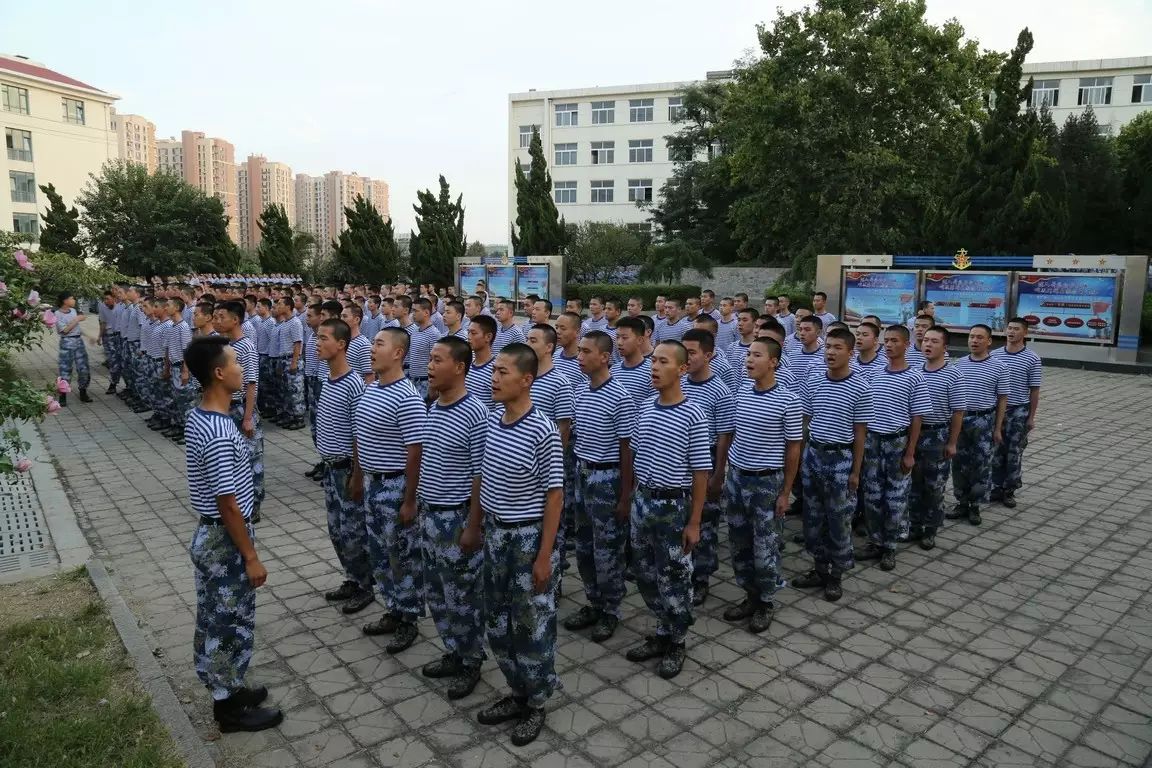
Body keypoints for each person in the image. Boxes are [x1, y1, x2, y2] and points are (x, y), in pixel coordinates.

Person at [182, 335, 282, 732]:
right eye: (236, 364)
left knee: (214, 615)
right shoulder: (221, 433)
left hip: (213, 536)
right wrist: (251, 556)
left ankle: (229, 686)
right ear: (219, 373)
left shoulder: (200, 416)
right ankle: (228, 709)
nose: (243, 369)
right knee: (229, 621)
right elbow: (228, 503)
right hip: (225, 540)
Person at [469, 343, 563, 747]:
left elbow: (554, 495)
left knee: (531, 624)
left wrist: (544, 556)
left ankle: (537, 701)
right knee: (497, 619)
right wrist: (476, 527)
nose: (494, 377)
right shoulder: (492, 420)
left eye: (503, 372)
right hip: (497, 533)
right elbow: (483, 478)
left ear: (526, 379)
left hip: (528, 538)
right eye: (495, 371)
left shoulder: (543, 430)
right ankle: (516, 690)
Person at [626, 340, 711, 679]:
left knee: (674, 576)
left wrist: (694, 522)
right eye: (654, 361)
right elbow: (635, 455)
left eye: (663, 362)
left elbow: (701, 472)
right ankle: (663, 628)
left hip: (673, 505)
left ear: (682, 368)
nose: (655, 367)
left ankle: (677, 639)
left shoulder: (694, 413)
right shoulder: (646, 407)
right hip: (643, 502)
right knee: (645, 573)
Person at [419, 336, 490, 700]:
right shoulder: (433, 407)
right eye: (429, 359)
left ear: (459, 367)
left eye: (437, 360)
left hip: (456, 519)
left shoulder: (476, 412)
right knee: (437, 592)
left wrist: (473, 526)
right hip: (430, 516)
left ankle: (471, 659)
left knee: (462, 595)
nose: (429, 366)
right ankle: (453, 650)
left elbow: (480, 475)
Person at [353, 327, 427, 652]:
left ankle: (408, 618)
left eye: (379, 344)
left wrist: (410, 499)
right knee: (380, 554)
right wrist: (357, 475)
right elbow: (360, 435)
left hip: (396, 486)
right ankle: (393, 609)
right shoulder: (372, 388)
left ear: (397, 353)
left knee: (403, 556)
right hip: (373, 483)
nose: (372, 348)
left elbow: (416, 452)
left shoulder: (407, 397)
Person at [723, 338, 801, 633]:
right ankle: (750, 595)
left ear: (774, 362)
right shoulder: (741, 392)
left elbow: (794, 448)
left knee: (765, 545)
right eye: (748, 355)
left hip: (767, 483)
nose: (749, 360)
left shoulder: (788, 401)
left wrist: (785, 492)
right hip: (738, 478)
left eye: (757, 355)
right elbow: (732, 435)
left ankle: (766, 601)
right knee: (739, 542)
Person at [565, 330, 635, 642]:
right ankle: (593, 601)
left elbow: (627, 449)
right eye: (578, 351)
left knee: (607, 550)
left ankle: (611, 609)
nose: (579, 357)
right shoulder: (580, 391)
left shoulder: (620, 396)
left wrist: (624, 495)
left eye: (585, 352)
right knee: (583, 546)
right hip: (582, 475)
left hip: (607, 479)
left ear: (604, 357)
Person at [794, 328, 872, 602]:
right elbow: (804, 423)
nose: (830, 352)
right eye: (828, 346)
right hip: (814, 455)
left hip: (841, 459)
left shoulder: (861, 387)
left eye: (838, 347)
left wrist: (855, 471)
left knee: (838, 520)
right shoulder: (814, 380)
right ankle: (818, 568)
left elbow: (861, 433)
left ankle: (836, 575)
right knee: (813, 518)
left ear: (850, 353)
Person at [855, 325, 931, 572]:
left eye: (895, 341)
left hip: (897, 441)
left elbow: (917, 418)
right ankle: (875, 541)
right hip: (873, 441)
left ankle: (890, 546)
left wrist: (910, 452)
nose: (889, 345)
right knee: (872, 494)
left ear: (906, 345)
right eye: (886, 341)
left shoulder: (915, 376)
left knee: (895, 497)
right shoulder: (875, 373)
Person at [314, 318, 374, 614]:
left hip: (347, 468)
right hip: (330, 468)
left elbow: (359, 434)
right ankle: (352, 577)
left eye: (324, 338)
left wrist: (357, 474)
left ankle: (365, 585)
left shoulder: (353, 384)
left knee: (353, 531)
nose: (317, 342)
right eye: (317, 337)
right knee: (336, 529)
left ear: (341, 344)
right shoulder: (328, 378)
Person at [679, 329, 734, 606]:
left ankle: (701, 577)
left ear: (708, 354)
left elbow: (725, 435)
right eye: (683, 351)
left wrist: (718, 473)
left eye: (692, 352)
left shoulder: (720, 391)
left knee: (705, 522)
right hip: (681, 460)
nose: (686, 358)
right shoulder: (681, 384)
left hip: (709, 458)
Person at [908, 326, 966, 549]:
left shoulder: (954, 374)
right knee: (913, 483)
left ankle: (930, 529)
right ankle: (913, 525)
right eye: (926, 341)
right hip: (914, 434)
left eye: (934, 341)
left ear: (945, 347)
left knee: (934, 485)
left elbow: (958, 412)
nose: (928, 345)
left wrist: (952, 442)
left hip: (938, 434)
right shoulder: (914, 371)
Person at [948, 324, 1008, 527]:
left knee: (981, 464)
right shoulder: (958, 365)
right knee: (959, 463)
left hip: (984, 420)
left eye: (979, 337)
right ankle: (961, 502)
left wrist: (998, 428)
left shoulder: (999, 366)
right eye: (972, 337)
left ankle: (975, 505)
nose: (974, 341)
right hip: (961, 420)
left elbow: (1002, 400)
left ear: (989, 341)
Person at [989, 318, 1042, 509]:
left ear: (1024, 333)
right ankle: (995, 486)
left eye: (1016, 329)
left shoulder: (1032, 358)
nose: (1011, 332)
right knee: (995, 450)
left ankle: (1009, 489)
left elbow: (1034, 390)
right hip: (996, 410)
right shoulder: (994, 355)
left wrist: (1031, 417)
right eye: (1009, 328)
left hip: (1018, 410)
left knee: (1014, 451)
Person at [163, 298, 194, 442]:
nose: (165, 307)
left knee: (185, 401)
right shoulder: (171, 326)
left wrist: (186, 371)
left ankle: (188, 431)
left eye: (168, 305)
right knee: (176, 399)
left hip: (181, 367)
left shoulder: (184, 327)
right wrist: (167, 367)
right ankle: (179, 425)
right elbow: (168, 349)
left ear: (176, 308)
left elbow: (187, 351)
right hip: (173, 367)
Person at [273, 297, 306, 430]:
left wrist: (294, 362)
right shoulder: (285, 323)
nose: (278, 306)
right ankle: (289, 415)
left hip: (291, 359)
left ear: (288, 307)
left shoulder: (295, 322)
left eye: (280, 303)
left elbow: (297, 343)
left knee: (295, 390)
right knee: (285, 390)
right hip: (283, 359)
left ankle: (299, 418)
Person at [55, 292, 93, 406]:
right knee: (65, 370)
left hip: (78, 342)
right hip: (66, 343)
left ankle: (83, 391)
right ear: (65, 301)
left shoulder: (74, 311)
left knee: (84, 368)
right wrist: (77, 319)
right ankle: (62, 395)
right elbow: (65, 330)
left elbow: (77, 328)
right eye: (72, 298)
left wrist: (89, 336)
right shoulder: (57, 314)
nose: (74, 300)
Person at [610, 316, 654, 405]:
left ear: (640, 340)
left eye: (624, 338)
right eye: (617, 337)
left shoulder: (652, 371)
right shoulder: (613, 371)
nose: (619, 342)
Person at [408, 298, 445, 400]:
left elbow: (436, 362)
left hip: (425, 383)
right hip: (412, 381)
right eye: (412, 310)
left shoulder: (434, 334)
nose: (413, 314)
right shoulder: (415, 330)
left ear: (426, 312)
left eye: (416, 311)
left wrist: (433, 387)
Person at [465, 314, 497, 409]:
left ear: (488, 337)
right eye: (468, 332)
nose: (469, 337)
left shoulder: (495, 370)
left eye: (473, 333)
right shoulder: (467, 364)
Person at [340, 304, 374, 384]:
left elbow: (369, 377)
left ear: (357, 319)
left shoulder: (363, 345)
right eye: (341, 316)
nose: (341, 319)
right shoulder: (342, 341)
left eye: (345, 316)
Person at [99, 289, 123, 395]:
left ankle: (119, 385)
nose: (105, 301)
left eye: (108, 299)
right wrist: (100, 336)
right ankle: (113, 384)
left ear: (114, 299)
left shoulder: (120, 307)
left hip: (118, 336)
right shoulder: (102, 307)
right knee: (112, 361)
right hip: (108, 336)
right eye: (104, 299)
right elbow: (103, 322)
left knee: (120, 362)